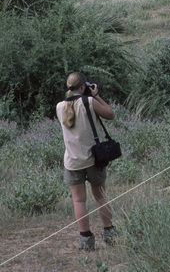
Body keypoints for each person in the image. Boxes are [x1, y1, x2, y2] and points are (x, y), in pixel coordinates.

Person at [56, 72, 116, 251]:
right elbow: (110, 114)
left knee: (78, 201)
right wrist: (96, 95)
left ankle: (86, 239)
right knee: (100, 196)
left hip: (72, 161)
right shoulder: (88, 102)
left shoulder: (60, 106)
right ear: (83, 87)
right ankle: (109, 232)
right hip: (93, 160)